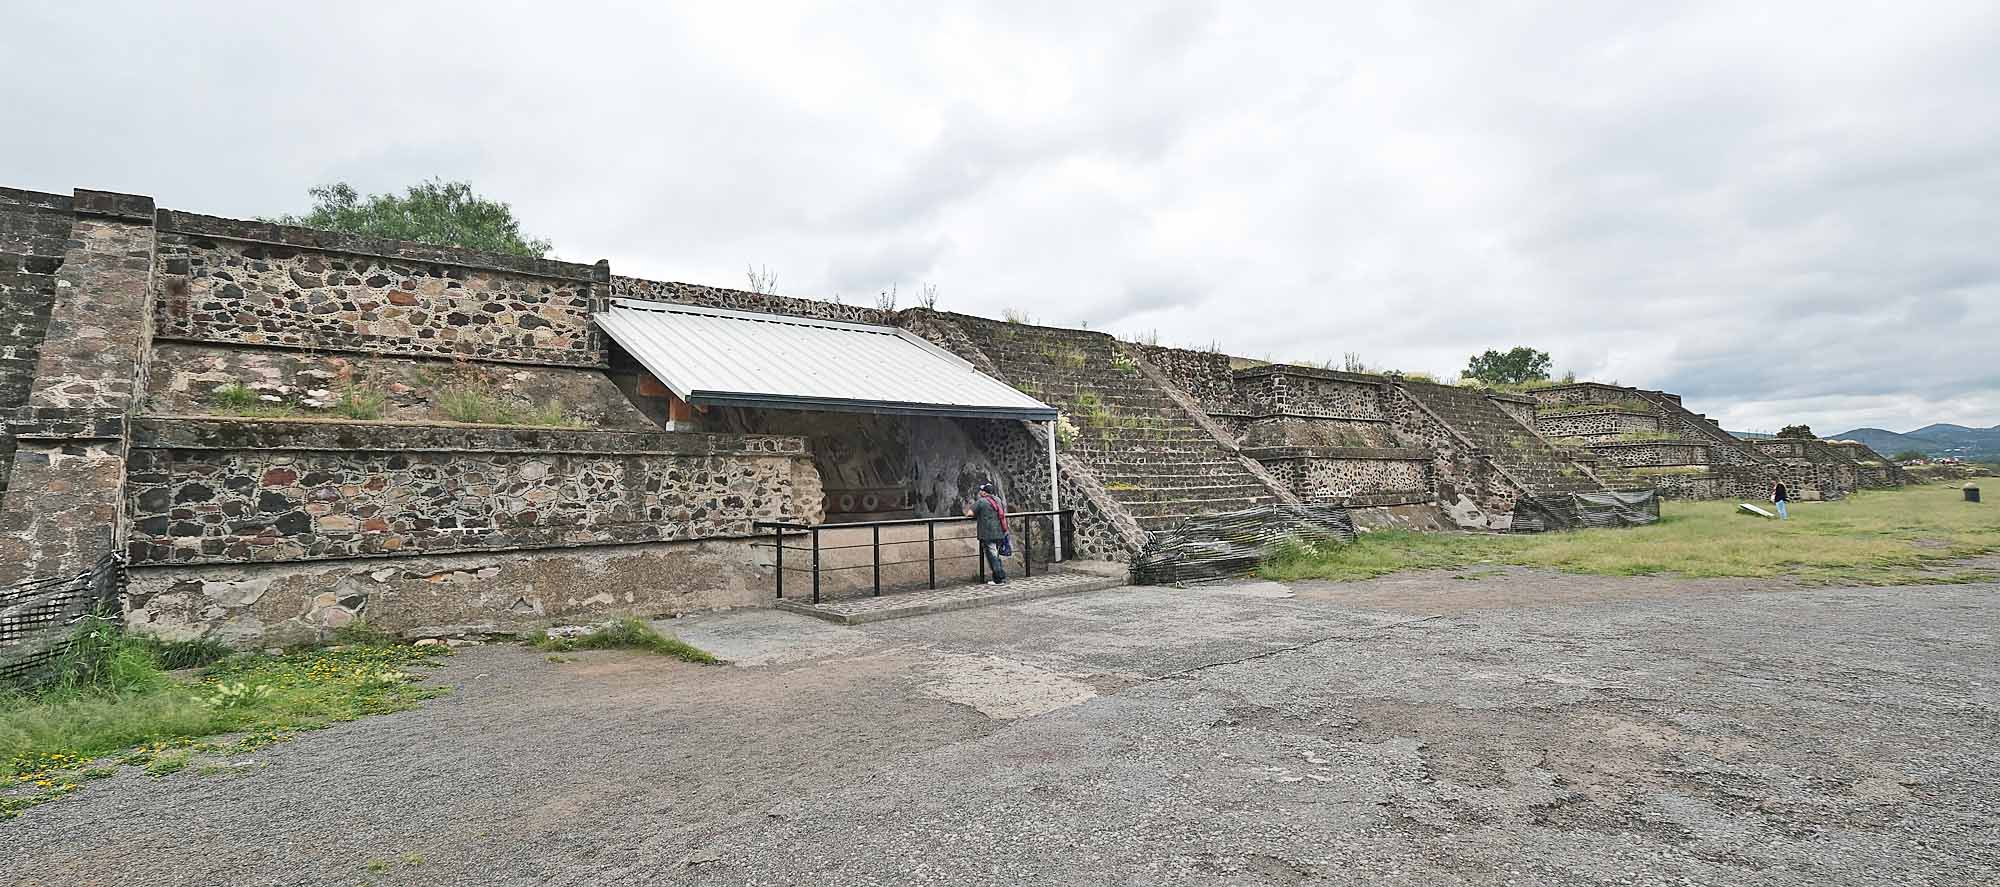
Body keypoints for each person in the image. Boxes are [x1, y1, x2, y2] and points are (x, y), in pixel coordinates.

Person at [966, 482, 1009, 585]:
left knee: (993, 557)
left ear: (985, 493)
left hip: (988, 534)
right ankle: (998, 577)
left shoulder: (981, 501)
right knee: (995, 555)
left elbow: (970, 514)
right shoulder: (998, 500)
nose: (980, 492)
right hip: (999, 532)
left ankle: (999, 579)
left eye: (982, 490)